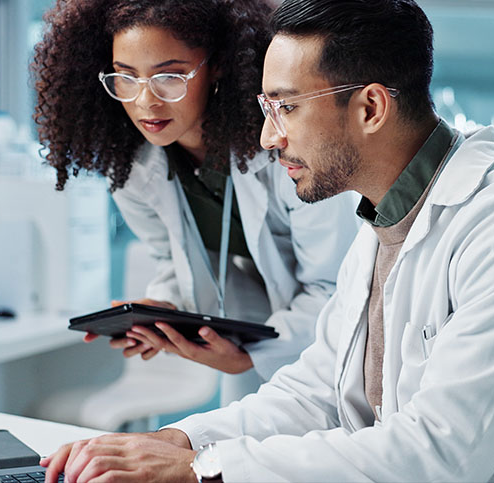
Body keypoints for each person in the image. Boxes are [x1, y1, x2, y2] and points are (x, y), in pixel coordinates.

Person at [38, 0, 494, 481]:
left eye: (286, 108)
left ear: (372, 107)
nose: (268, 138)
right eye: (264, 107)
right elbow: (316, 389)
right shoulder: (380, 220)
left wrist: (200, 470)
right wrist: (177, 441)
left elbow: (438, 456)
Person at [32, 0, 358, 402]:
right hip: (257, 352)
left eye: (169, 76)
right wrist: (164, 309)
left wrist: (252, 355)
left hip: (339, 356)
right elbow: (174, 257)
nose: (145, 102)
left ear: (218, 64)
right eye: (126, 77)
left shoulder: (287, 151)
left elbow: (334, 287)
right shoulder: (135, 170)